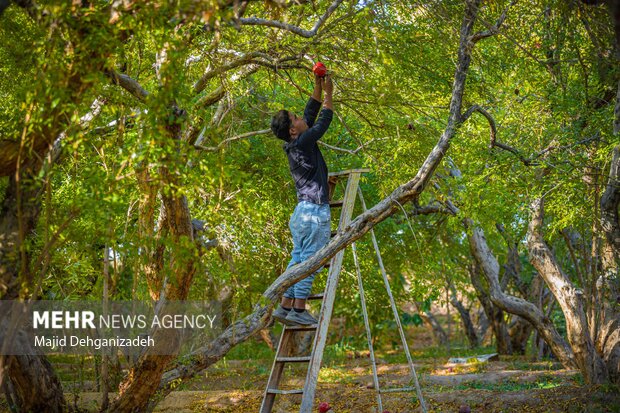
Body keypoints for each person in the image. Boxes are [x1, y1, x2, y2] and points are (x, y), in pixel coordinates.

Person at [269, 74, 334, 326]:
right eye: (295, 118)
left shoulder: (294, 143)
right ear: (293, 130)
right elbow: (322, 122)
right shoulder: (304, 140)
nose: (300, 118)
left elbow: (309, 115)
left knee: (297, 259)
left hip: (301, 214)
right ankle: (298, 309)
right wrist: (328, 93)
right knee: (309, 263)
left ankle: (285, 305)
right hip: (314, 212)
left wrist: (317, 86)